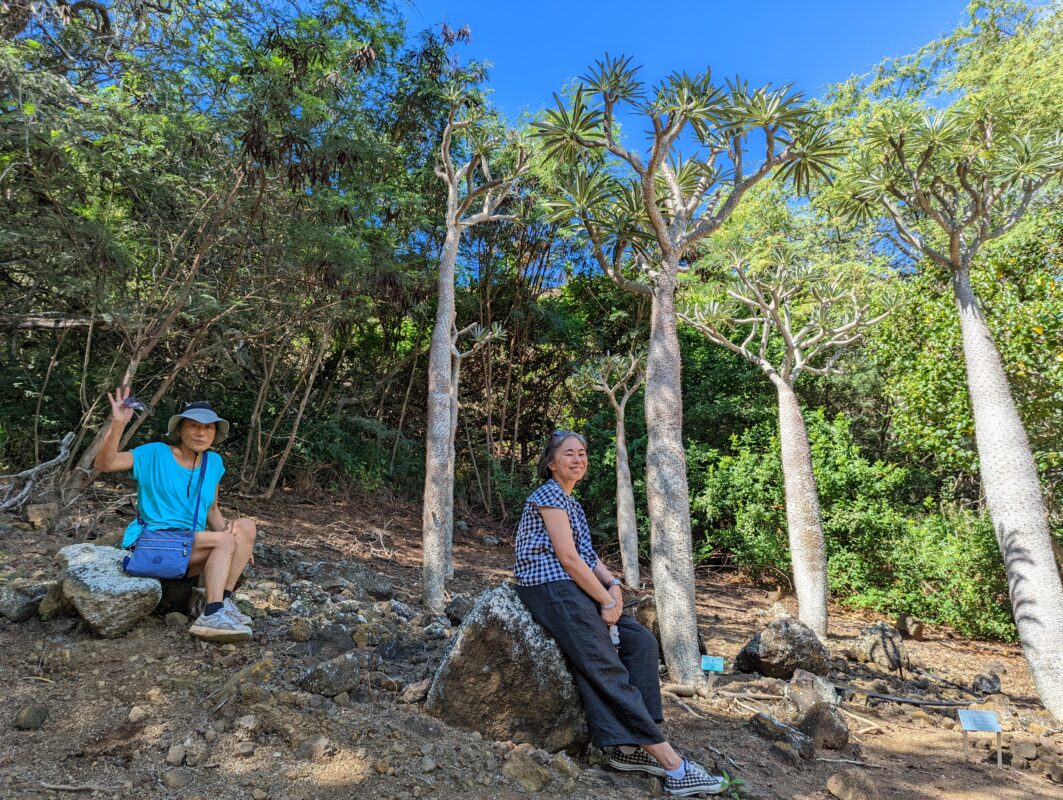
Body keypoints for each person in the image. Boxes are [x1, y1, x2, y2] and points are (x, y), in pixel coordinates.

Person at [513, 431, 724, 797]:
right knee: (604, 664)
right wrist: (606, 602)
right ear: (551, 463)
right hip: (549, 587)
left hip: (574, 586)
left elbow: (588, 556)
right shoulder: (548, 495)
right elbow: (567, 558)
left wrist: (612, 585)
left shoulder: (571, 502)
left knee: (640, 641)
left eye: (582, 453)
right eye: (568, 454)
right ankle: (674, 768)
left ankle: (629, 748)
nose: (577, 459)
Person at [94, 387, 258, 642]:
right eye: (193, 425)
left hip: (187, 545)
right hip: (153, 542)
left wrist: (240, 546)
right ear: (180, 429)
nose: (201, 433)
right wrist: (117, 424)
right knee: (225, 540)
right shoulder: (156, 453)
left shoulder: (214, 463)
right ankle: (212, 615)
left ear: (216, 434)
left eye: (209, 428)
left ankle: (221, 603)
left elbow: (212, 510)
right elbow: (105, 464)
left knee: (245, 527)